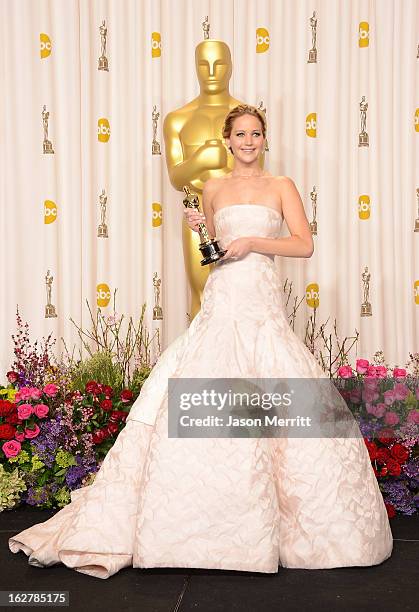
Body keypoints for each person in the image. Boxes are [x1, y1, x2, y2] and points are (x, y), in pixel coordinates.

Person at [9, 105, 393, 579]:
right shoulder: (213, 188)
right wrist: (201, 232)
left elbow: (303, 244)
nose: (249, 141)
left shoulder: (281, 186)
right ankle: (196, 528)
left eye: (256, 133)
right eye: (241, 134)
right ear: (228, 140)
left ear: (263, 139)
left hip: (261, 297)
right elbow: (217, 252)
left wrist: (254, 241)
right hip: (223, 295)